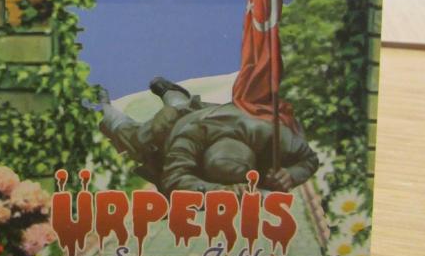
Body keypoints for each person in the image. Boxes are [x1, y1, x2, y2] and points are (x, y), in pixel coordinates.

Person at [99, 76, 318, 197]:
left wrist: (291, 174)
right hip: (176, 125)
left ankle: (175, 95)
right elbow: (173, 179)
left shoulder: (270, 133)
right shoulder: (187, 141)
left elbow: (309, 159)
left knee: (183, 106)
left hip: (211, 111)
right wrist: (219, 191)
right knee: (138, 140)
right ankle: (106, 109)